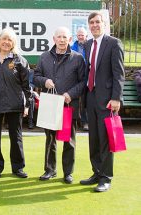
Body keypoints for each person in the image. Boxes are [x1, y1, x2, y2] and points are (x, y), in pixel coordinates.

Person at [33, 27, 85, 184]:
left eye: (65, 37)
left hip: (69, 105)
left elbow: (83, 82)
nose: (62, 40)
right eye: (59, 37)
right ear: (54, 39)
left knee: (68, 140)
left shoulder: (78, 58)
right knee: (50, 139)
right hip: (50, 104)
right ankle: (50, 170)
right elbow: (35, 77)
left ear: (70, 40)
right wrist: (44, 81)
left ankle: (68, 173)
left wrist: (71, 94)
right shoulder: (44, 57)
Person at [80, 12, 125, 192]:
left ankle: (106, 177)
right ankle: (97, 172)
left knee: (106, 139)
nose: (94, 25)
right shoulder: (89, 44)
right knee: (94, 138)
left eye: (98, 22)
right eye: (91, 23)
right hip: (91, 97)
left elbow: (119, 73)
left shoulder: (114, 43)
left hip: (107, 100)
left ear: (104, 24)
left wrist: (116, 98)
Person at [0, 27, 32, 179]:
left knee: (16, 136)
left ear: (14, 43)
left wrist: (27, 105)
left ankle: (18, 167)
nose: (6, 42)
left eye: (10, 40)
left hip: (15, 104)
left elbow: (26, 86)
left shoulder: (20, 60)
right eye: (4, 39)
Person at [71, 27, 89, 131]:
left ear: (86, 36)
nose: (80, 37)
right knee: (77, 101)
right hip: (76, 78)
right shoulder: (73, 47)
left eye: (82, 35)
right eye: (79, 35)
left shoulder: (91, 45)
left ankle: (86, 122)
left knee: (87, 101)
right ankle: (78, 121)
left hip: (89, 78)